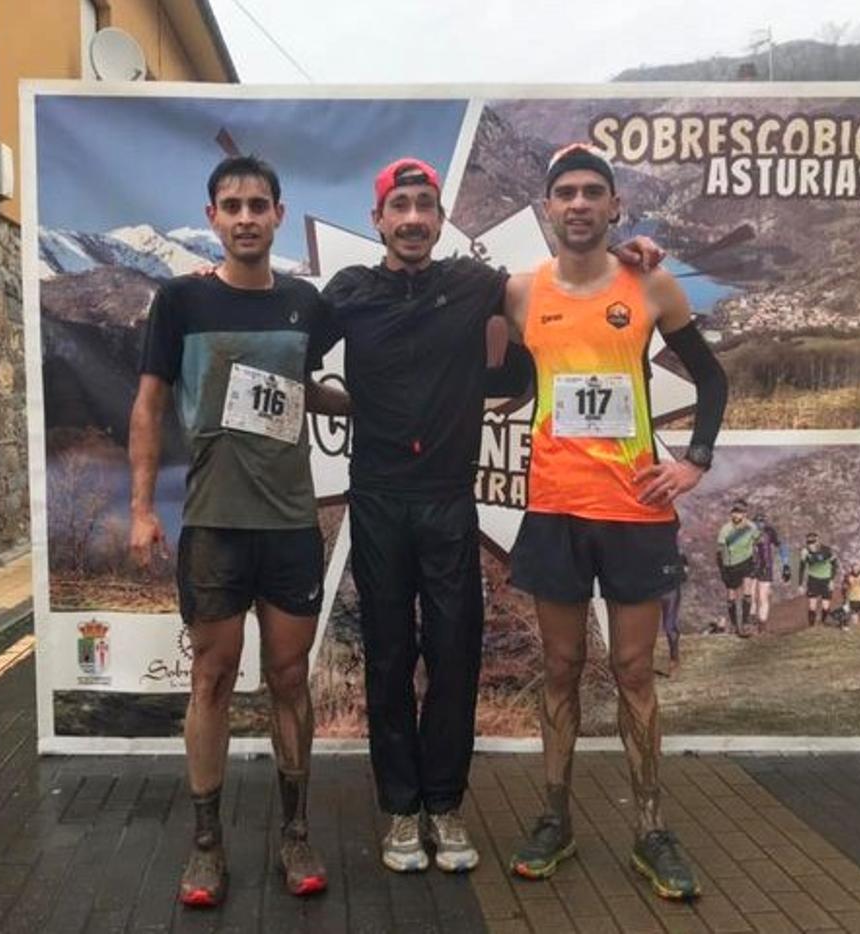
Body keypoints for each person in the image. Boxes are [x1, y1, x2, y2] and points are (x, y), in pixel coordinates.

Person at [321, 157, 660, 875]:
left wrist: (630, 255)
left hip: (449, 500)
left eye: (425, 206)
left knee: (454, 654)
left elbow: (569, 278)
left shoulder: (473, 285)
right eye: (399, 207)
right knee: (386, 657)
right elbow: (285, 342)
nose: (412, 218)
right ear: (378, 220)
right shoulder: (349, 291)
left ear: (441, 222)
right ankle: (400, 813)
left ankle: (444, 806)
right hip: (378, 499)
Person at [502, 142, 727, 901]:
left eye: (592, 191)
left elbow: (714, 377)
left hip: (635, 509)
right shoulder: (518, 292)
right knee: (561, 669)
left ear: (614, 207)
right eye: (564, 192)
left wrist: (694, 459)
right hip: (555, 507)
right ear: (547, 207)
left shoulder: (650, 282)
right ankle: (555, 817)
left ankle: (651, 828)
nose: (578, 203)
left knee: (632, 671)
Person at [128, 156, 344, 907]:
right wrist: (142, 508)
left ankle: (295, 831)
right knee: (211, 679)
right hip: (215, 526)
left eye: (259, 204)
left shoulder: (305, 305)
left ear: (279, 214)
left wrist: (346, 405)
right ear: (213, 215)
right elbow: (151, 405)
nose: (246, 216)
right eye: (232, 204)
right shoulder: (180, 300)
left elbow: (317, 382)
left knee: (289, 680)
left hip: (289, 523)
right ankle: (207, 844)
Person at [715, 500, 757, 637]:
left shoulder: (751, 527)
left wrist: (757, 558)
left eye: (739, 513)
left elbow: (758, 540)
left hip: (747, 562)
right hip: (731, 565)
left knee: (747, 591)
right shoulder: (726, 529)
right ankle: (733, 624)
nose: (736, 515)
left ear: (745, 514)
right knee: (731, 595)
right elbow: (720, 550)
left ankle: (745, 623)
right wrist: (722, 569)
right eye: (734, 512)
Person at [750, 510, 790, 634]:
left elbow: (781, 545)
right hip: (750, 566)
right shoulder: (747, 532)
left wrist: (786, 565)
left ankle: (762, 626)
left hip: (765, 566)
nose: (759, 524)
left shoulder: (769, 531)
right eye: (757, 522)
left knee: (762, 597)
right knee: (751, 596)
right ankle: (751, 621)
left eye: (761, 522)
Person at [798, 532, 838, 627]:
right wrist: (800, 584)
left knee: (825, 606)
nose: (811, 545)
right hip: (813, 579)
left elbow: (835, 565)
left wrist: (832, 580)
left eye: (813, 542)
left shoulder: (827, 550)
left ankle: (822, 623)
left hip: (826, 579)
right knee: (812, 605)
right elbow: (801, 568)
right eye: (809, 543)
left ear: (818, 541)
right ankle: (811, 626)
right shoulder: (805, 552)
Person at [658, 554, 688, 676]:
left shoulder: (676, 553)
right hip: (651, 592)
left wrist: (664, 571)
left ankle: (674, 660)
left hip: (670, 592)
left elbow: (683, 574)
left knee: (669, 626)